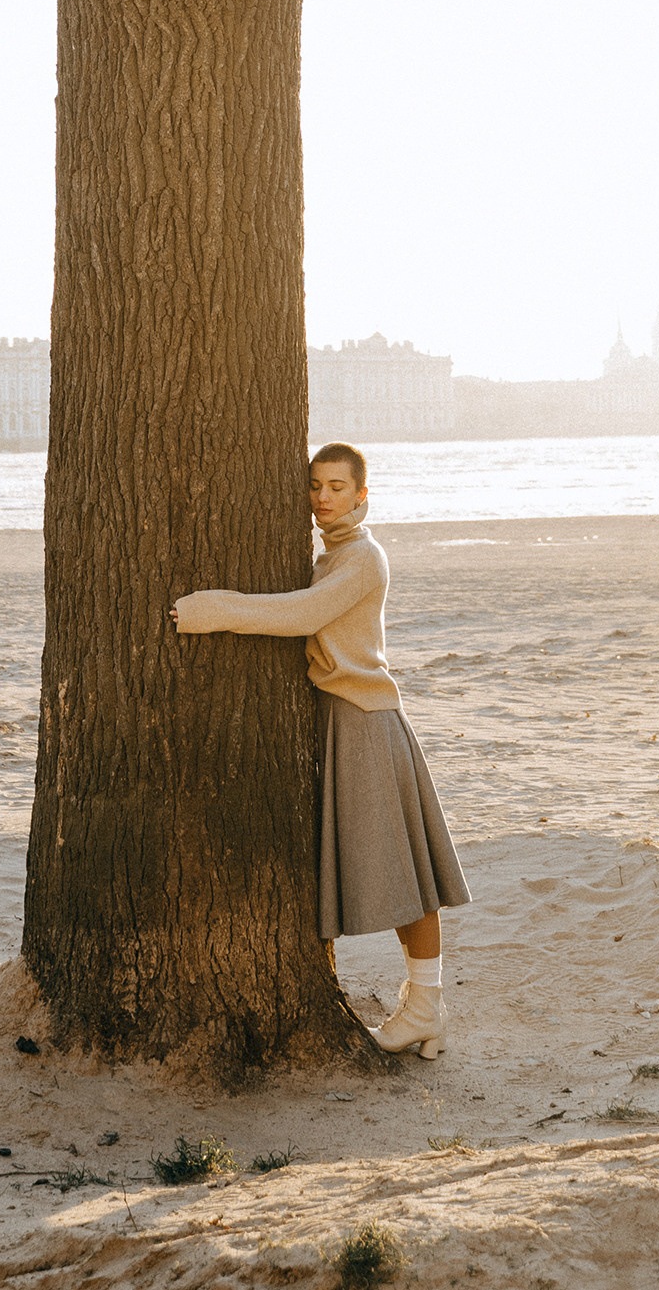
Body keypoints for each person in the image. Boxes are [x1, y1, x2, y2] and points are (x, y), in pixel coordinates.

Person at [171, 440, 469, 1057]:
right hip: (342, 719)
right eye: (315, 486)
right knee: (396, 868)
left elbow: (305, 615)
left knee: (402, 872)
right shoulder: (333, 555)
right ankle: (425, 1008)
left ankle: (425, 1007)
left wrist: (218, 609)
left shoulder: (363, 556)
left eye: (338, 487)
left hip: (365, 718)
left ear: (363, 495)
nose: (324, 498)